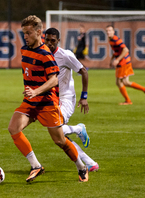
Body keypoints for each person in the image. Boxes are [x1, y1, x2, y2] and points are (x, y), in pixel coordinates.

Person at [8, 15, 88, 183]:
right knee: (14, 128)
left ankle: (81, 167)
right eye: (24, 33)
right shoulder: (25, 50)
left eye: (28, 33)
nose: (26, 37)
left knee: (59, 140)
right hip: (31, 101)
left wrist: (36, 91)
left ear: (39, 33)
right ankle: (36, 166)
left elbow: (54, 80)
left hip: (46, 102)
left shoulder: (46, 54)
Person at [44, 27, 99, 172]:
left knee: (57, 131)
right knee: (60, 138)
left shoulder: (65, 55)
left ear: (58, 41)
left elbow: (84, 71)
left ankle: (78, 128)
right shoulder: (42, 54)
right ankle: (90, 163)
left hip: (66, 98)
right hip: (52, 99)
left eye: (53, 41)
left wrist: (84, 96)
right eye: (47, 40)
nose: (49, 43)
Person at [106, 25, 145, 105]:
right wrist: (112, 59)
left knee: (119, 82)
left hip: (123, 62)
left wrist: (117, 60)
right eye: (107, 31)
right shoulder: (111, 40)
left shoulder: (116, 39)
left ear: (113, 31)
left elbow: (126, 49)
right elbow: (116, 51)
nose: (108, 32)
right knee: (125, 82)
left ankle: (128, 101)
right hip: (125, 61)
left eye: (110, 30)